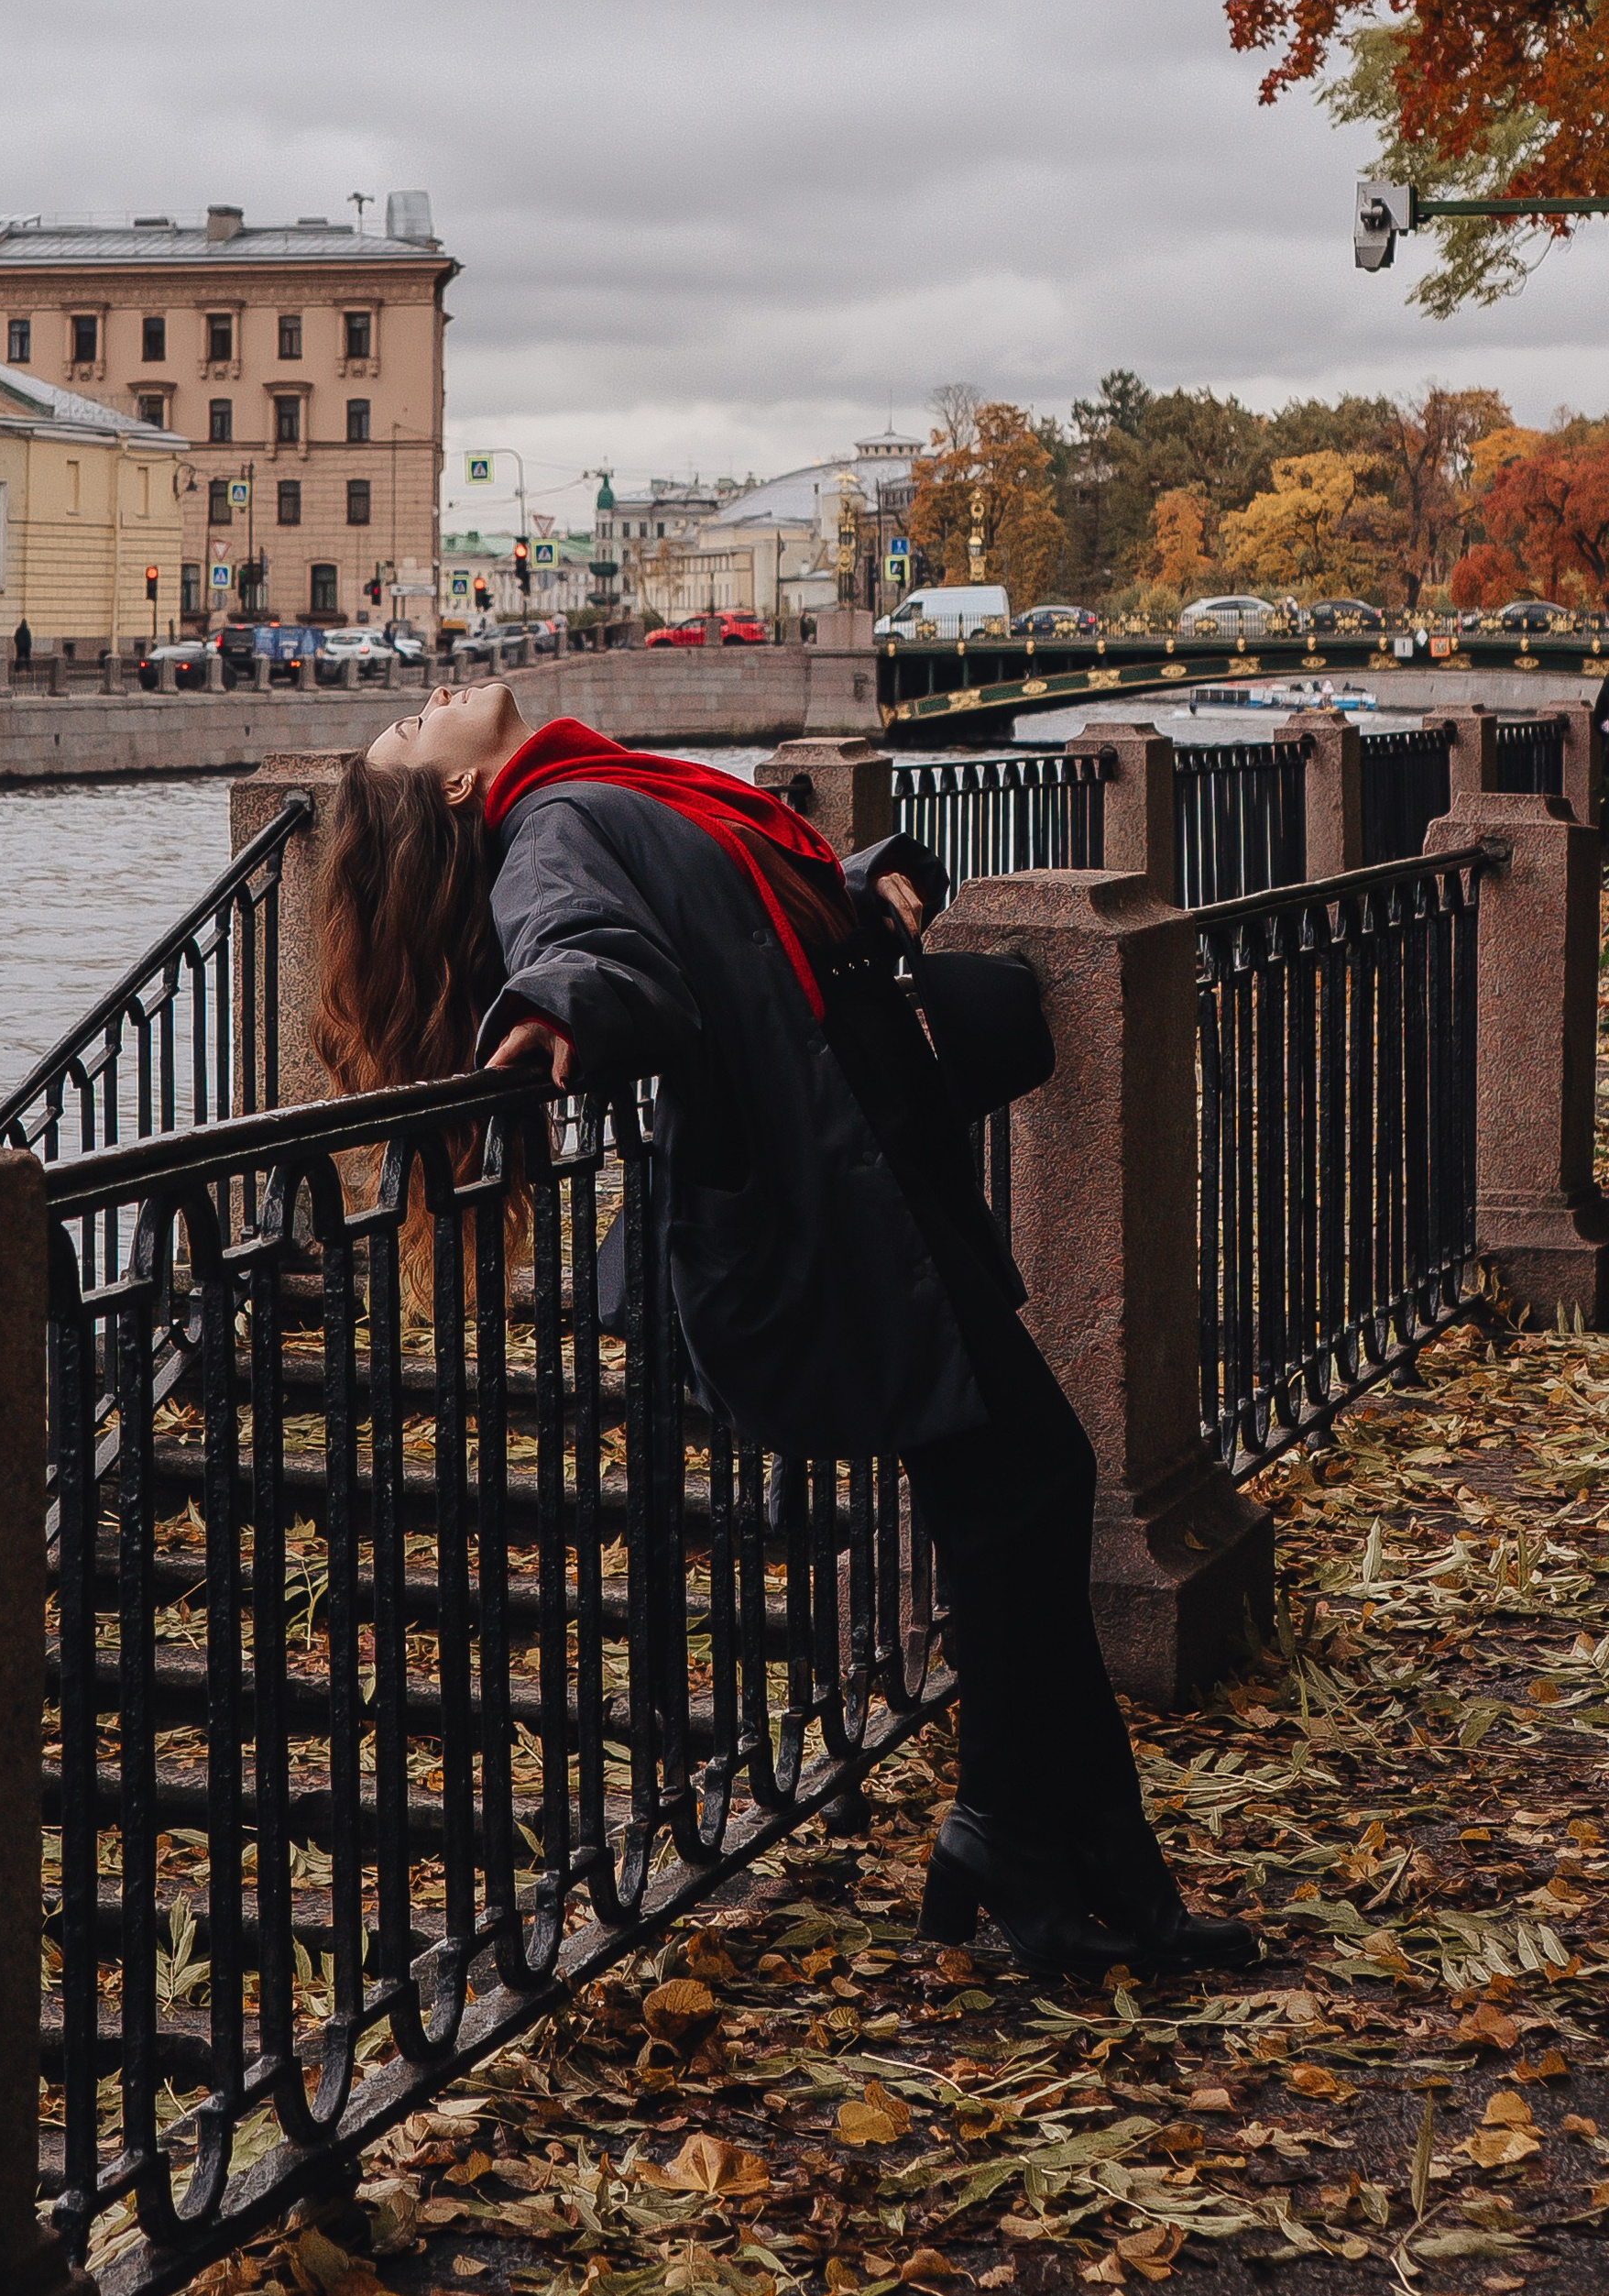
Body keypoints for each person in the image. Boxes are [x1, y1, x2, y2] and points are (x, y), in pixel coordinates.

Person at [313, 679, 1255, 1979]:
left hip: (879, 1166)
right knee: (1026, 1487)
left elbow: (733, 914)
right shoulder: (554, 826)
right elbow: (592, 940)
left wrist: (866, 880)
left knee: (1024, 1493)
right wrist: (560, 1004)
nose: (432, 698)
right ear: (462, 786)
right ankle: (1039, 1848)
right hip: (836, 1198)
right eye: (416, 729)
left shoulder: (606, 787)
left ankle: (1063, 1852)